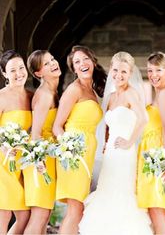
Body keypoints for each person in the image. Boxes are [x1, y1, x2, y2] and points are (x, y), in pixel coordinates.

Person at [79, 51, 153, 235]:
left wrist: (129, 142)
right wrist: (105, 143)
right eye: (116, 70)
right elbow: (108, 125)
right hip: (111, 152)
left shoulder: (131, 94)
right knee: (107, 190)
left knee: (121, 192)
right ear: (111, 69)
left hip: (125, 153)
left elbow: (144, 119)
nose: (119, 75)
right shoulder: (111, 97)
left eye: (124, 72)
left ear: (130, 73)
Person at [52, 45, 106, 234]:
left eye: (85, 59)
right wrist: (69, 149)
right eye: (77, 62)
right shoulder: (73, 90)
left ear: (92, 61)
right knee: (75, 208)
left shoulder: (92, 90)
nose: (82, 64)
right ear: (74, 69)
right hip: (74, 155)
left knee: (79, 208)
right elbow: (57, 126)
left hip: (88, 152)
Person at [136, 52, 165, 234]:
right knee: (153, 215)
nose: (153, 74)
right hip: (149, 156)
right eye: (150, 70)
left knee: (158, 213)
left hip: (159, 158)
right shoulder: (156, 95)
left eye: (158, 70)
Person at [22, 50, 60, 234]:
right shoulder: (45, 95)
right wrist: (40, 163)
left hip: (47, 157)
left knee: (44, 216)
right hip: (40, 160)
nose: (53, 63)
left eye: (52, 59)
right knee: (39, 216)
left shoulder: (52, 91)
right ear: (38, 73)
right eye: (46, 64)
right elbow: (35, 133)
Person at [0, 50, 32, 234]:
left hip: (21, 161)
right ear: (4, 73)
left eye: (21, 68)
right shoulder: (1, 96)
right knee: (4, 213)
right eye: (12, 70)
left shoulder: (30, 95)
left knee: (25, 216)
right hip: (3, 160)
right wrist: (4, 146)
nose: (19, 73)